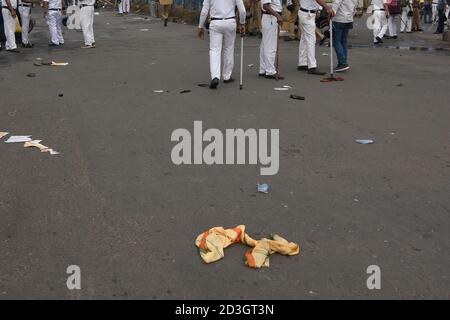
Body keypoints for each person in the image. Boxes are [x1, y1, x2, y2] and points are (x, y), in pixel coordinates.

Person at [197, 0, 246, 89]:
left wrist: (200, 26)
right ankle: (227, 76)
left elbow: (204, 10)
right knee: (229, 48)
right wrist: (242, 23)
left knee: (215, 50)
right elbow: (242, 10)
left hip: (216, 22)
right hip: (230, 22)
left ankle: (215, 77)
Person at [297, 0, 334, 75]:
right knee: (311, 40)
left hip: (306, 12)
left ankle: (302, 62)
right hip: (307, 14)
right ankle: (312, 66)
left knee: (304, 38)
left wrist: (318, 9)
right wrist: (327, 7)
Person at [331, 0, 362, 72]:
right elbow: (355, 6)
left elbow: (336, 3)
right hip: (349, 19)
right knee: (343, 41)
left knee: (336, 41)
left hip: (339, 19)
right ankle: (342, 62)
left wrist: (332, 12)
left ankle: (342, 63)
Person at [259, 0, 284, 78]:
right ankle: (270, 71)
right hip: (271, 17)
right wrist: (277, 15)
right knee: (270, 46)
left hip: (270, 17)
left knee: (265, 45)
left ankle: (263, 69)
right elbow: (265, 5)